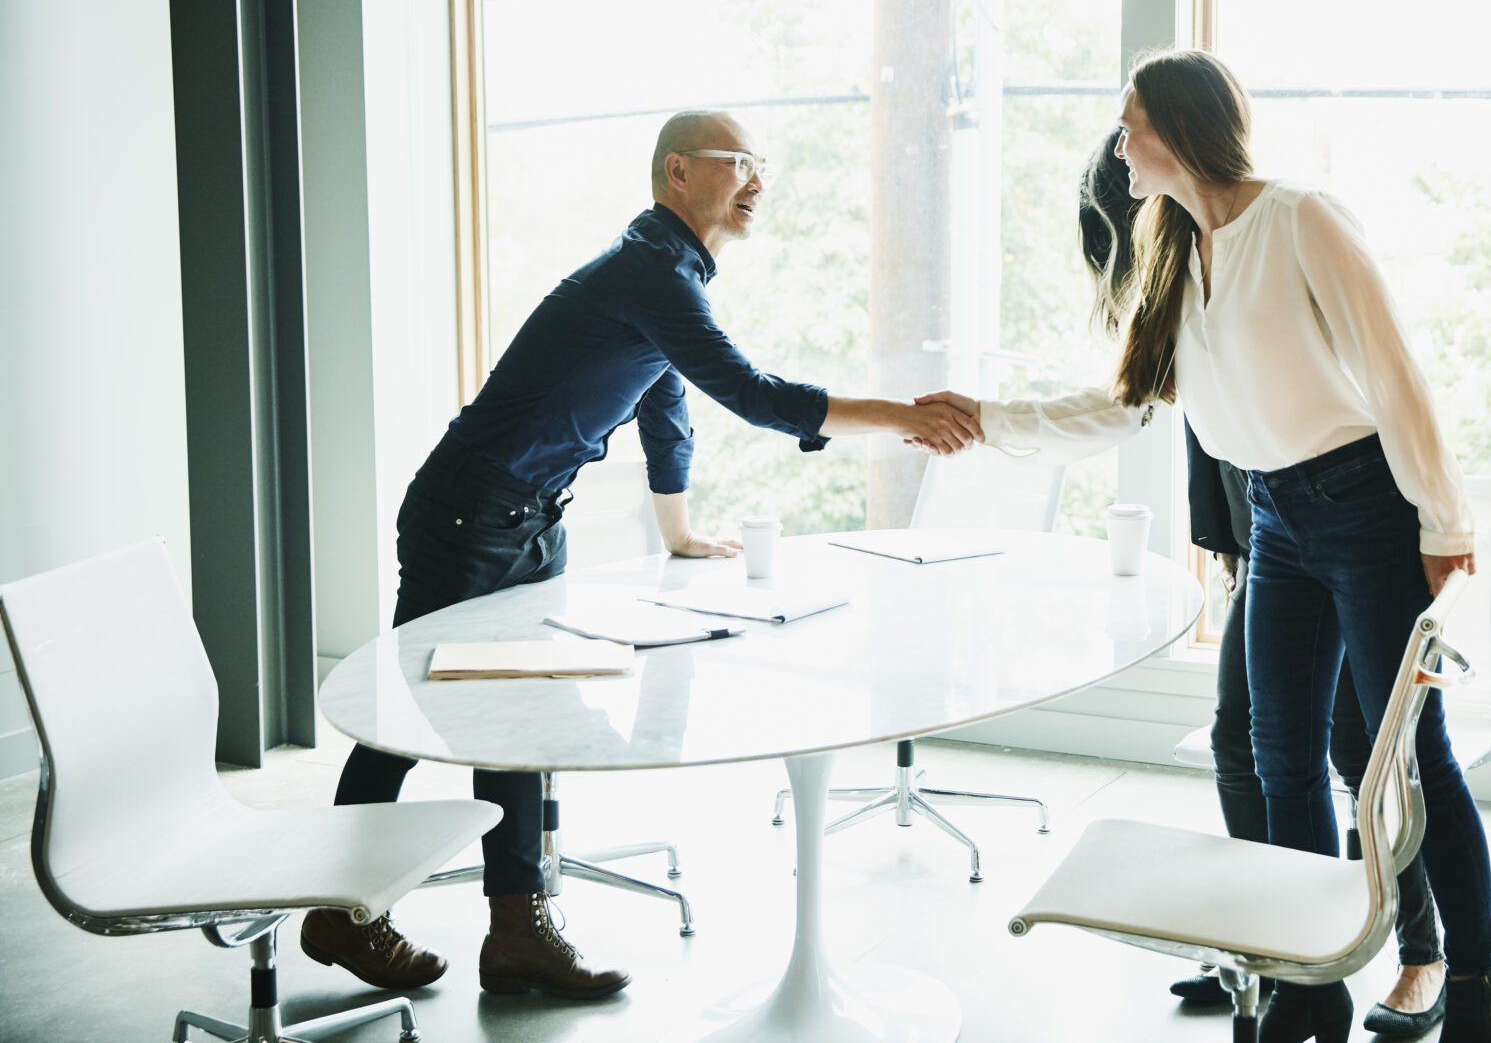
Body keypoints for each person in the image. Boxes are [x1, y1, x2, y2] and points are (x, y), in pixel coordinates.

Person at [299, 110, 982, 1001]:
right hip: (470, 515)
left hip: (528, 516)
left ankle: (516, 932)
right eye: (741, 163)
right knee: (411, 712)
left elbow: (667, 410)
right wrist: (903, 416)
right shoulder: (648, 273)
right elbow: (749, 393)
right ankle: (337, 909)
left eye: (759, 164)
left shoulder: (666, 275)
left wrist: (679, 534)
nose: (758, 183)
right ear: (678, 175)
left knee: (520, 721)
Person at [919, 55, 1491, 1043]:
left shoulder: (1300, 219)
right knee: (1279, 753)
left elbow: (1397, 373)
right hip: (1277, 520)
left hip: (1366, 508)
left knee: (1408, 757)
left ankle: (1481, 983)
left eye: (1131, 126)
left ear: (1179, 127)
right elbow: (1121, 405)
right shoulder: (1171, 247)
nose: (1119, 147)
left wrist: (1445, 529)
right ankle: (1309, 978)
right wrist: (986, 419)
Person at [1062, 129, 1449, 1032]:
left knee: (1361, 751)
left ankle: (1421, 951)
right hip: (1264, 535)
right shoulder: (1178, 280)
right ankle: (1275, 941)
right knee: (1247, 742)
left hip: (1337, 523)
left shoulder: (1261, 239)